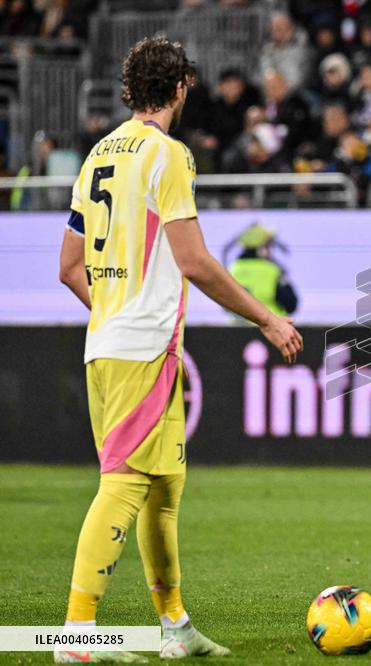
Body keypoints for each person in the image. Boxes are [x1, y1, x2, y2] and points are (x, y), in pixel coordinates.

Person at [56, 37, 303, 662]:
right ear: (182, 88)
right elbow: (193, 261)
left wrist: (113, 312)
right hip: (142, 347)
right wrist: (268, 320)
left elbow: (67, 266)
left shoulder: (96, 155)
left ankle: (174, 626)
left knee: (164, 485)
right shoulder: (168, 155)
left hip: (109, 344)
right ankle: (77, 638)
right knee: (125, 483)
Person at [227, 223, 299, 317]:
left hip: (235, 328)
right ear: (261, 247)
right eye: (268, 245)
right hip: (269, 327)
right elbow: (291, 304)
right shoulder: (271, 271)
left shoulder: (233, 269)